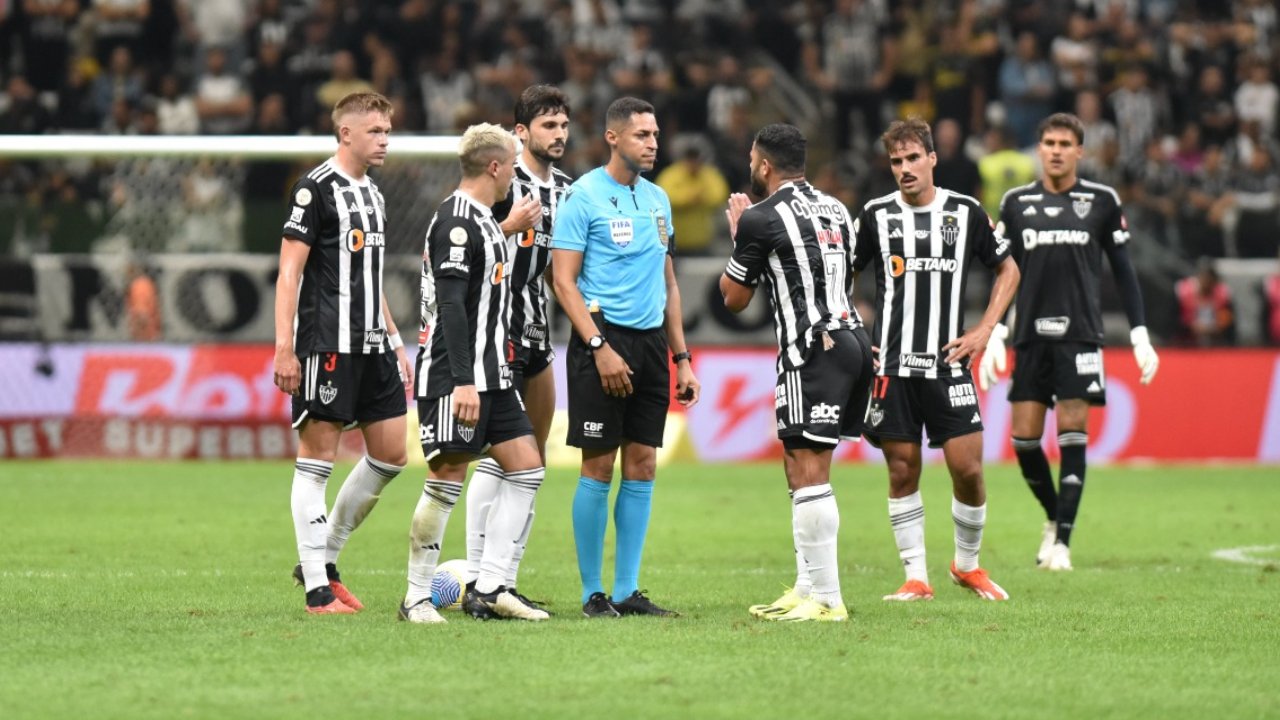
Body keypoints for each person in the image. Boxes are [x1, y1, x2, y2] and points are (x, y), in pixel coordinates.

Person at [980, 112, 1159, 572]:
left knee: (1072, 432)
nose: (1057, 150)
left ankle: (1063, 543)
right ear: (1039, 150)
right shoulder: (1016, 203)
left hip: (1080, 335)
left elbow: (1124, 271)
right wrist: (995, 332)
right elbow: (1004, 273)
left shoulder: (1101, 201)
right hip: (1030, 338)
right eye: (1049, 142)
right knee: (1023, 440)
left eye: (1065, 143)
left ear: (1080, 151)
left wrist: (1140, 334)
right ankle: (1053, 518)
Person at [853, 117, 1020, 603]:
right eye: (895, 161)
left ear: (932, 159)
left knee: (967, 468)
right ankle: (916, 577)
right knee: (902, 469)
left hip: (948, 364)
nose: (904, 169)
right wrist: (857, 332)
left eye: (912, 159)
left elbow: (1008, 268)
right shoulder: (875, 215)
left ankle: (966, 566)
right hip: (893, 367)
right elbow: (844, 272)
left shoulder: (965, 212)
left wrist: (986, 329)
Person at [551, 97, 700, 618]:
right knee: (597, 463)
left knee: (643, 462)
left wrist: (681, 357)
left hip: (651, 342)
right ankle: (593, 593)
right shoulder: (583, 196)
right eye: (642, 135)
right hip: (602, 339)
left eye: (655, 134)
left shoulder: (659, 199)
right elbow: (562, 282)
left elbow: (669, 283)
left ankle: (626, 590)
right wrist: (598, 347)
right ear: (613, 138)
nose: (653, 143)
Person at [719, 123, 873, 622]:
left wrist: (740, 239)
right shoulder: (837, 210)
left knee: (810, 469)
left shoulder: (762, 218)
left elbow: (734, 299)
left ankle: (827, 599)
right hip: (851, 338)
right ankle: (807, 587)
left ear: (764, 165)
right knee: (799, 463)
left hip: (812, 347)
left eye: (751, 159)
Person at [403, 123, 549, 624]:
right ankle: (416, 597)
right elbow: (451, 304)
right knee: (446, 478)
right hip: (456, 377)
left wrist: (509, 228)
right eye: (511, 164)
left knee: (527, 467)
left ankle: (490, 586)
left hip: (496, 376)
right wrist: (463, 380)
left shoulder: (486, 221)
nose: (515, 173)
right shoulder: (457, 222)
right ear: (494, 166)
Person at [274, 92, 411, 615]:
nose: (385, 139)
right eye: (375, 130)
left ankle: (323, 560)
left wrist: (396, 340)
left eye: (387, 130)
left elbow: (369, 278)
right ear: (346, 134)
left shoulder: (373, 194)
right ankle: (316, 591)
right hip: (326, 343)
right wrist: (285, 347)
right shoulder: (314, 190)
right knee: (315, 465)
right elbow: (289, 273)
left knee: (392, 453)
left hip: (373, 345)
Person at [463, 85, 572, 616]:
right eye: (548, 126)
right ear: (522, 132)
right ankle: (480, 575)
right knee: (501, 452)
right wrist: (509, 227)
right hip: (497, 326)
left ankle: (501, 579)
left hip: (539, 330)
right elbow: (466, 241)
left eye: (564, 125)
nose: (559, 135)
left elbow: (558, 270)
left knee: (533, 457)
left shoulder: (569, 190)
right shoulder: (504, 179)